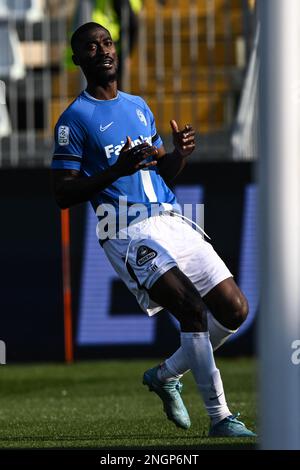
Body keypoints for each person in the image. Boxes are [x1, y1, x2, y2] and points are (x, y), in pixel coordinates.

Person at [51, 22, 256, 437]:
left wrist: (179, 155)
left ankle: (165, 375)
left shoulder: (139, 105)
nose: (103, 51)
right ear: (78, 59)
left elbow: (158, 174)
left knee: (235, 309)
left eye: (107, 43)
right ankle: (220, 418)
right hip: (125, 230)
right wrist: (115, 170)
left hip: (170, 218)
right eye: (91, 47)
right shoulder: (74, 120)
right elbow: (63, 194)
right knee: (191, 310)